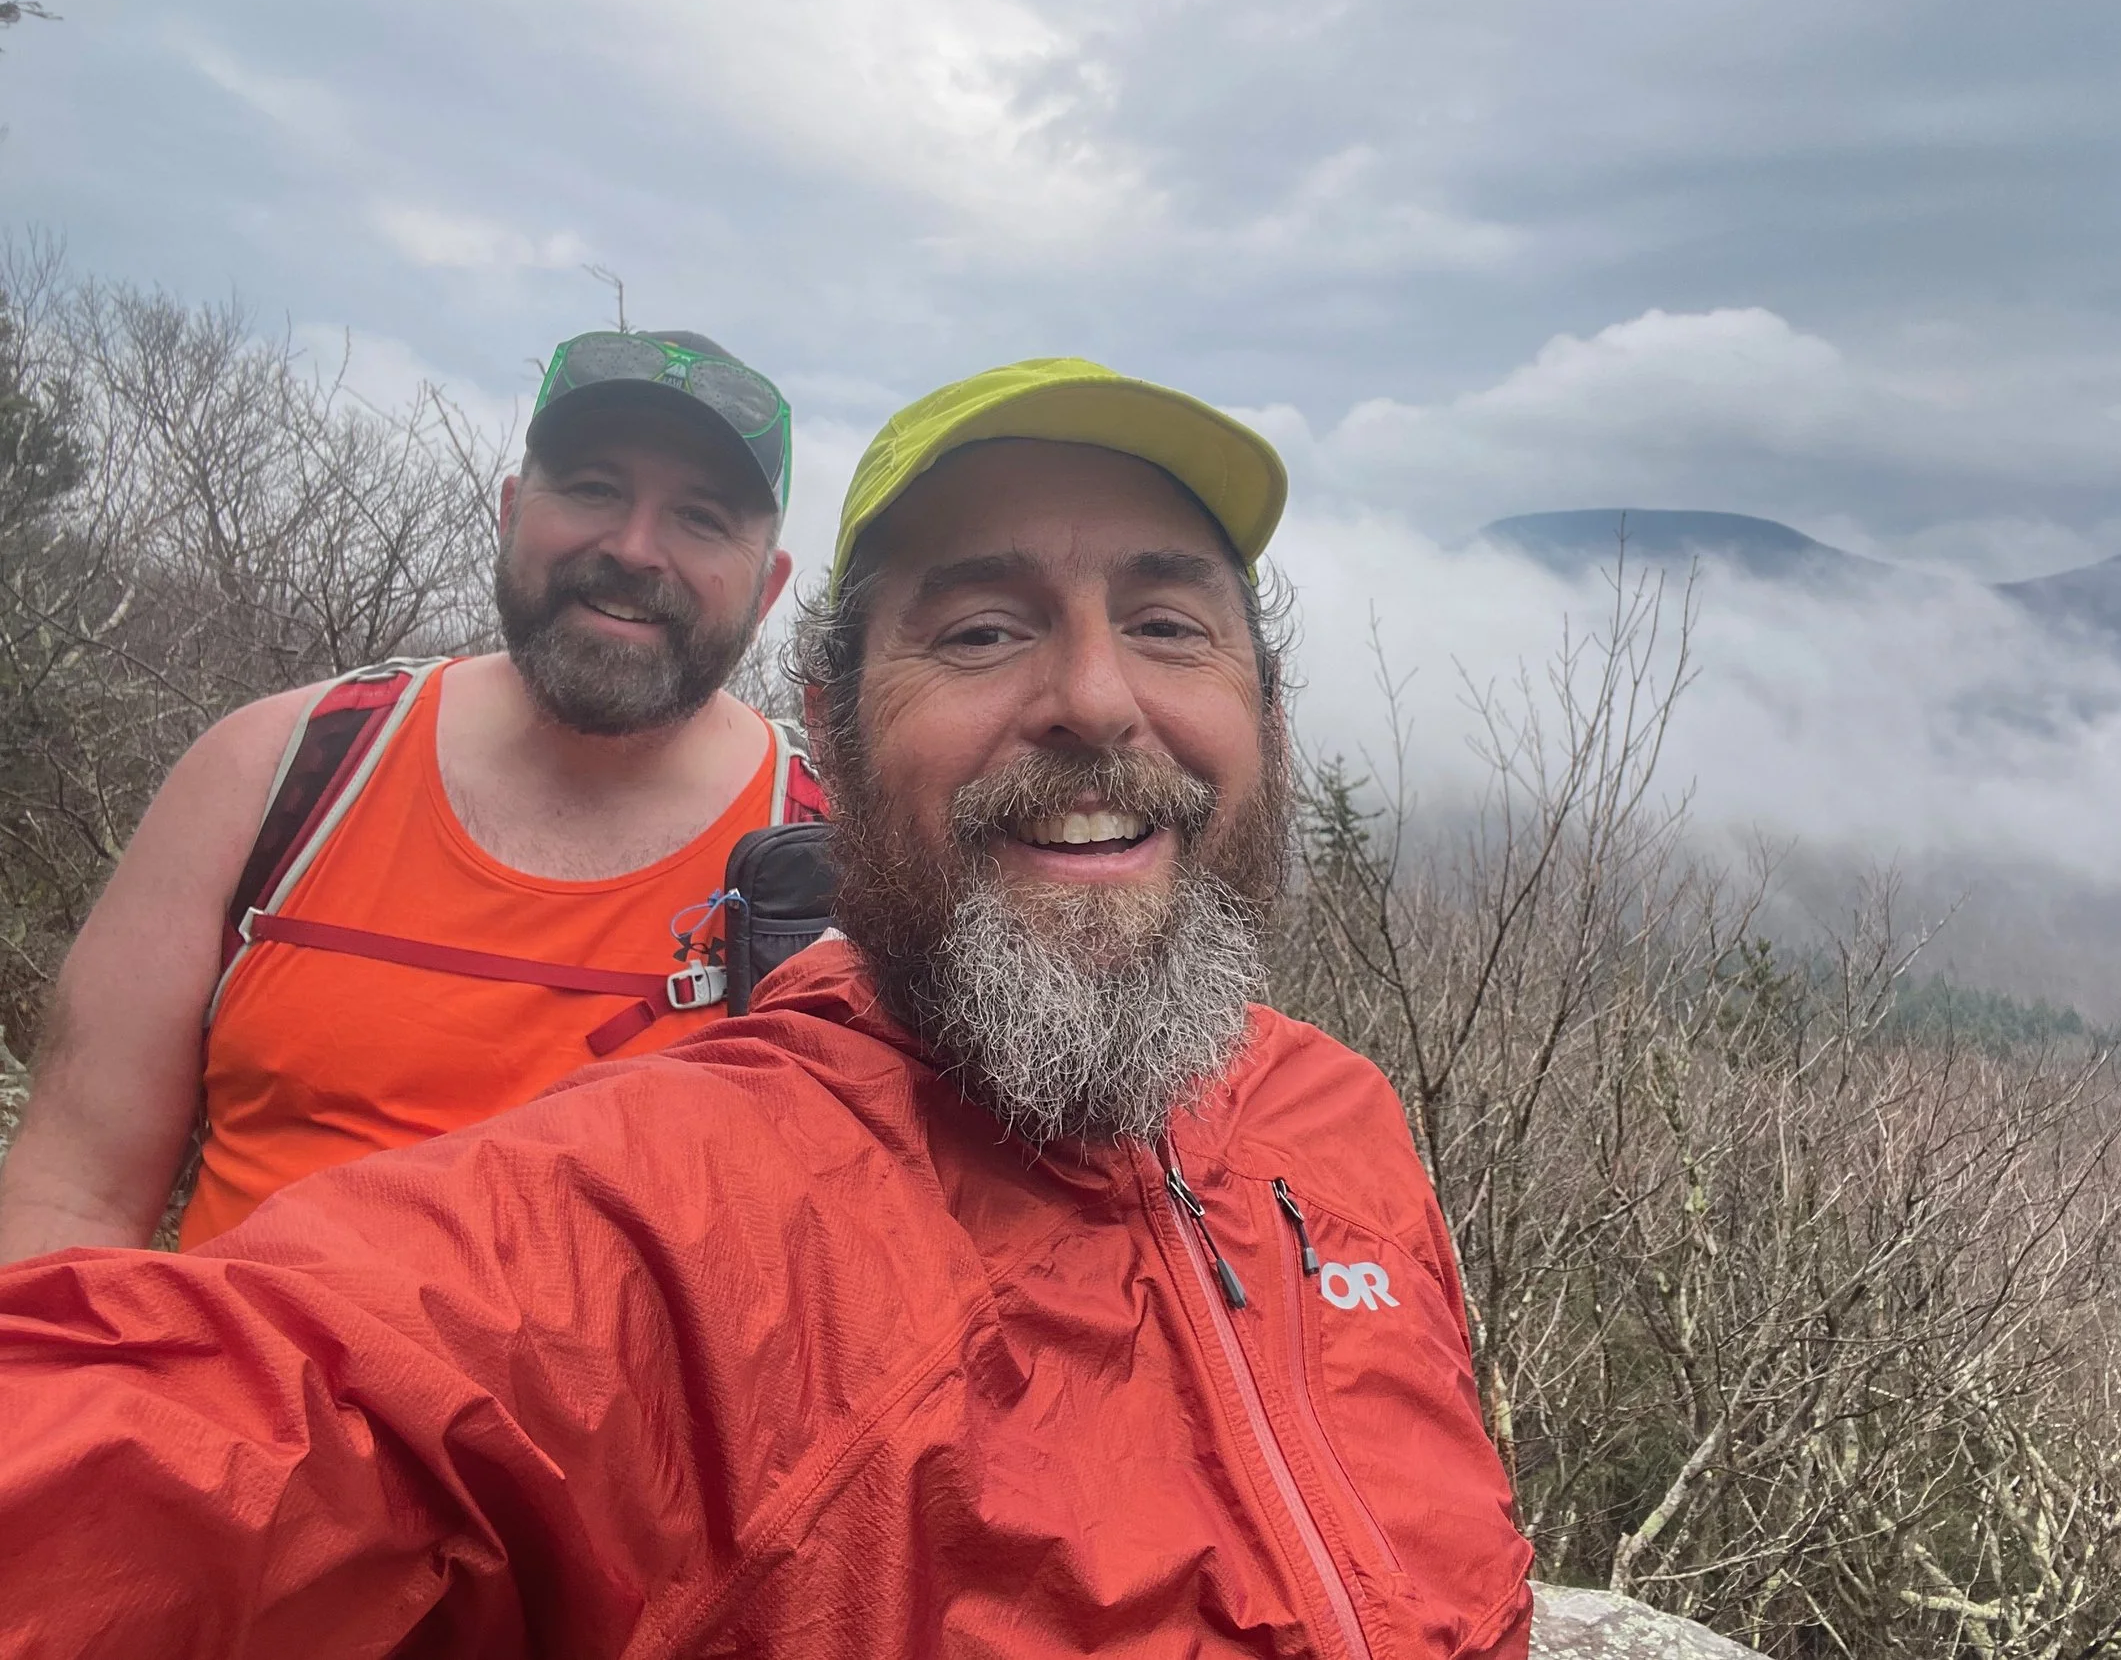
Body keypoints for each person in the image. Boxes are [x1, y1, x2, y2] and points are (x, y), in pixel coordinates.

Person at [0, 357, 1535, 1658]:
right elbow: (229, 1406)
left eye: (1171, 623)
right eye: (980, 628)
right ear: (842, 731)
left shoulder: (1342, 1122)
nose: (1095, 696)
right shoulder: (686, 1182)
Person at [0, 328, 813, 1259]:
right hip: (225, 1355)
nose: (634, 548)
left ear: (767, 588)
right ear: (510, 512)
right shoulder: (280, 772)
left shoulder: (829, 862)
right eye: (594, 487)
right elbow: (72, 1197)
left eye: (701, 517)